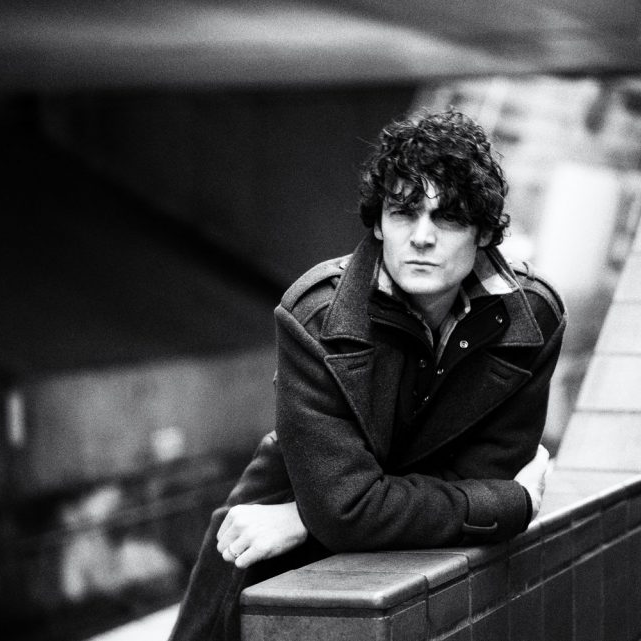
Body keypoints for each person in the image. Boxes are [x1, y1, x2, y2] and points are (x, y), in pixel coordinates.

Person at [168, 110, 566, 641]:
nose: (421, 237)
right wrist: (512, 503)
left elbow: (477, 476)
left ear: (486, 233)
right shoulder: (318, 317)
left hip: (303, 527)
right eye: (403, 213)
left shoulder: (530, 320)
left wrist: (309, 518)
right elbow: (351, 507)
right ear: (379, 223)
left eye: (448, 218)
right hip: (262, 550)